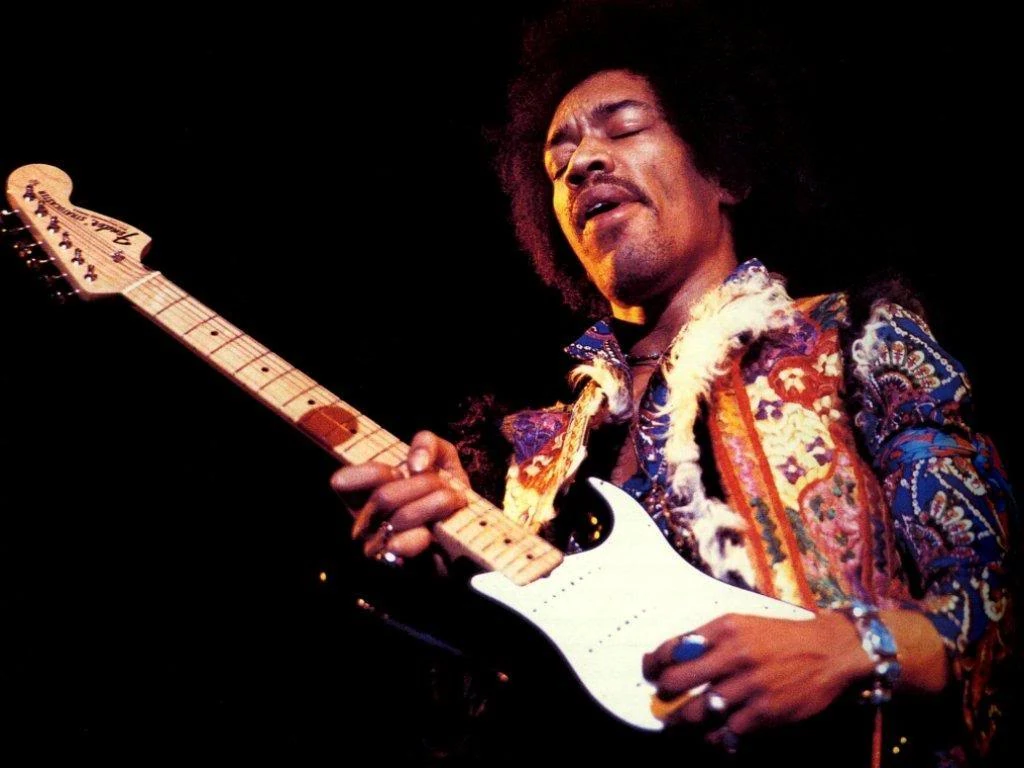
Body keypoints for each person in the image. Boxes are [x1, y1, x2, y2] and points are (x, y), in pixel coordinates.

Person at [332, 2, 1016, 766]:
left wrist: (851, 649)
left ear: (724, 169)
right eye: (559, 164)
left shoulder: (855, 338)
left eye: (623, 128)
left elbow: (998, 603)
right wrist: (436, 582)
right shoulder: (528, 458)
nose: (583, 163)